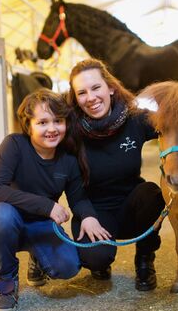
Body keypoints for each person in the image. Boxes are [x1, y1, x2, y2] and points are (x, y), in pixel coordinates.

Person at [0, 88, 108, 311]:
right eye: (42, 122)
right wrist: (47, 206)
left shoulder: (68, 159)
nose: (51, 129)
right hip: (8, 221)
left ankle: (36, 259)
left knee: (68, 267)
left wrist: (89, 216)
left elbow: (78, 197)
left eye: (58, 121)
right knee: (2, 215)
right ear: (28, 125)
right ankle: (6, 283)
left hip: (40, 225)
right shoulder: (14, 145)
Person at [66, 58, 165, 291]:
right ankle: (101, 260)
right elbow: (70, 184)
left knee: (152, 194)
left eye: (96, 87)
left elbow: (172, 124)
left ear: (110, 88)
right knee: (94, 259)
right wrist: (85, 215)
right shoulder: (70, 131)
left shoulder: (135, 119)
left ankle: (144, 259)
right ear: (75, 98)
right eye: (82, 92)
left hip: (133, 206)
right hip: (94, 211)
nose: (90, 97)